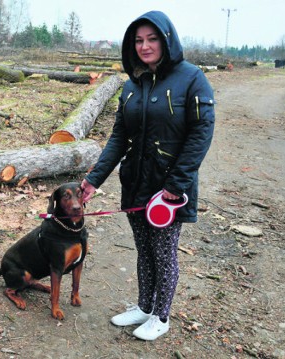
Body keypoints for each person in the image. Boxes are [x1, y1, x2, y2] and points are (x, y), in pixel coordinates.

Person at [80, 11, 215, 341]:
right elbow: (118, 137)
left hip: (168, 191)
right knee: (144, 250)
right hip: (136, 184)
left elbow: (202, 132)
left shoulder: (192, 79)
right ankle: (143, 306)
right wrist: (94, 178)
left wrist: (176, 185)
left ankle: (161, 316)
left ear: (167, 39)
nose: (145, 46)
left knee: (163, 253)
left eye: (152, 38)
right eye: (138, 40)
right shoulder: (132, 84)